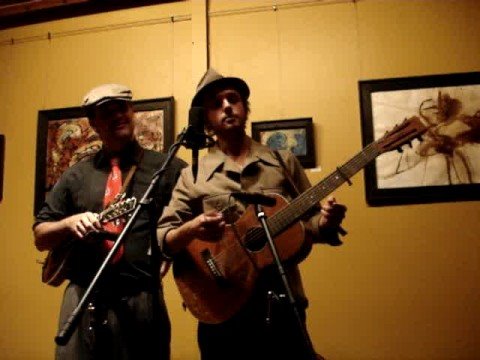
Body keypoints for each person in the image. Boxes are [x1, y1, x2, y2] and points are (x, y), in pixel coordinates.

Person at [157, 69, 347, 360]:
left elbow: (310, 223)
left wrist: (326, 221)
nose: (226, 107)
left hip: (283, 301)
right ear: (206, 118)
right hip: (221, 306)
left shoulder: (282, 162)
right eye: (216, 103)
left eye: (233, 99)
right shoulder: (192, 175)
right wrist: (192, 228)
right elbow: (164, 238)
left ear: (245, 108)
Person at [34, 83, 186, 359]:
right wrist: (69, 223)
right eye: (106, 112)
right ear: (93, 123)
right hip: (82, 296)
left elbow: (189, 226)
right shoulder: (76, 175)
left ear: (132, 112)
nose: (117, 115)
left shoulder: (169, 169)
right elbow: (41, 236)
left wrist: (173, 253)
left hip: (142, 297)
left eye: (122, 108)